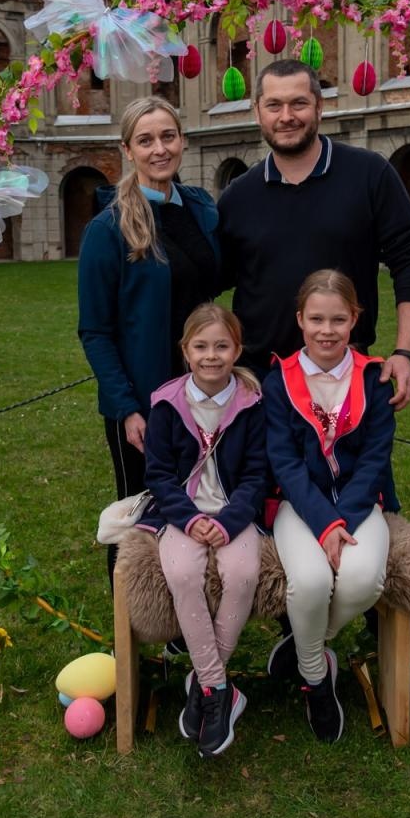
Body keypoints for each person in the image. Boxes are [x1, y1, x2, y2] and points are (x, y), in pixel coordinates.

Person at [218, 59, 410, 411]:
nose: (286, 116)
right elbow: (209, 278)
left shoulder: (369, 174)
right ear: (257, 112)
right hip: (260, 380)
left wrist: (405, 352)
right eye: (274, 105)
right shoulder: (237, 197)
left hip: (346, 373)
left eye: (298, 103)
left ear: (319, 106)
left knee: (352, 468)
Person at [78, 97, 221, 575]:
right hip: (144, 404)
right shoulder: (109, 228)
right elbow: (95, 330)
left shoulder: (201, 210)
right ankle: (133, 630)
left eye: (167, 136)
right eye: (145, 140)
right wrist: (126, 408)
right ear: (127, 149)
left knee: (199, 509)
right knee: (141, 519)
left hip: (205, 394)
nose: (159, 149)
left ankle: (187, 625)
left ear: (182, 140)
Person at [265, 270, 398, 742]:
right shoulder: (279, 381)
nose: (327, 330)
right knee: (311, 581)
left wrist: (347, 518)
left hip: (362, 503)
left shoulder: (374, 377)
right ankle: (317, 682)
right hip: (300, 506)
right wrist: (324, 524)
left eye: (338, 319)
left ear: (355, 319)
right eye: (316, 319)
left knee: (363, 580)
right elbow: (284, 463)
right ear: (300, 320)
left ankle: (308, 648)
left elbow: (376, 459)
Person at [139, 303, 269, 757]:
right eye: (201, 346)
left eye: (221, 346)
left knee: (243, 575)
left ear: (236, 349)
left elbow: (257, 475)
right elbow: (157, 475)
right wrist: (191, 518)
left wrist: (230, 520)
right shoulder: (166, 403)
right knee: (183, 575)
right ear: (185, 351)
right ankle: (219, 688)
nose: (211, 356)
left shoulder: (252, 404)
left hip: (235, 515)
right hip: (181, 515)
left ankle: (206, 685)